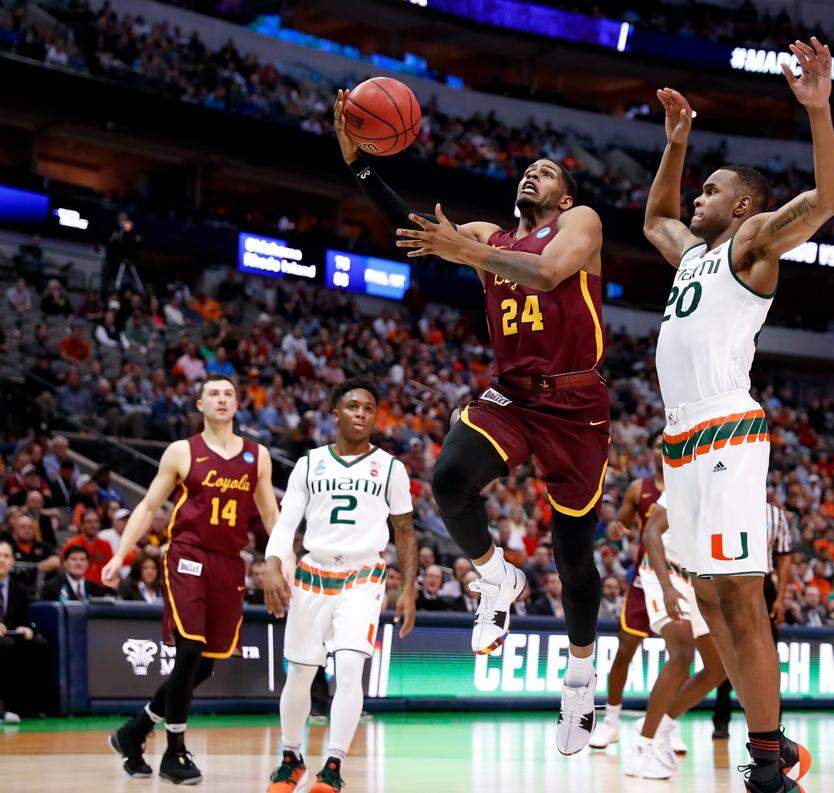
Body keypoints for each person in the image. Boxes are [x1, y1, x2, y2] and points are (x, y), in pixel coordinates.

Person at [335, 89, 608, 754]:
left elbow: (545, 274)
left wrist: (467, 252)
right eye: (528, 169)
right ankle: (494, 572)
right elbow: (414, 229)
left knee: (573, 557)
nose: (532, 174)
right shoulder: (490, 234)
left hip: (575, 402)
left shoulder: (581, 225)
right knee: (449, 477)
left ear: (565, 197)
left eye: (547, 171)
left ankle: (578, 677)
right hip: (512, 392)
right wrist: (360, 165)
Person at [642, 37, 834, 793]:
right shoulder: (689, 254)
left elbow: (827, 201)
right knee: (706, 598)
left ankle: (766, 762)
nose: (698, 196)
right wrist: (677, 146)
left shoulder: (753, 243)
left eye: (712, 188)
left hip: (727, 426)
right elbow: (656, 216)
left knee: (739, 594)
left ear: (744, 205)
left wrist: (818, 113)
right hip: (679, 436)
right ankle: (774, 736)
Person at [102, 374, 280, 785]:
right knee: (188, 651)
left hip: (230, 563)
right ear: (199, 405)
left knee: (203, 667)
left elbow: (271, 516)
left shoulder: (258, 456)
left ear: (237, 405)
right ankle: (174, 751)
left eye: (229, 394)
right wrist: (119, 554)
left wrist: (282, 558)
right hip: (187, 558)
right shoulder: (182, 451)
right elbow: (148, 507)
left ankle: (135, 730)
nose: (222, 399)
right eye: (213, 393)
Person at [263, 377, 417, 793]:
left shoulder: (391, 468)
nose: (361, 414)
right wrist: (272, 565)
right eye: (352, 407)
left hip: (363, 577)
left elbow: (404, 530)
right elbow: (286, 521)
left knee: (350, 668)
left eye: (368, 408)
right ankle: (291, 758)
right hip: (312, 574)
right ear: (335, 414)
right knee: (299, 672)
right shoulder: (309, 464)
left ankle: (332, 766)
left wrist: (408, 588)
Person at [624, 490, 724, 779]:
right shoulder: (688, 479)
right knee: (682, 654)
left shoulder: (730, 494)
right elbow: (651, 534)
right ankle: (641, 747)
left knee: (718, 667)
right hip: (664, 573)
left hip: (699, 579)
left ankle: (662, 729)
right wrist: (667, 587)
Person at [590, 435, 663, 749]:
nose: (662, 449)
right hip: (643, 581)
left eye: (667, 443)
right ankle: (611, 722)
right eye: (658, 445)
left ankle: (665, 728)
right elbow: (618, 526)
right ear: (652, 452)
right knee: (624, 651)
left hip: (679, 579)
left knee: (680, 655)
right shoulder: (638, 488)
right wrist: (618, 529)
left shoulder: (690, 486)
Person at [712, 500, 799, 742]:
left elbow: (784, 557)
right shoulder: (726, 503)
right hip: (731, 577)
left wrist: (781, 598)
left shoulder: (775, 514)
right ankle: (721, 721)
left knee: (767, 652)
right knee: (730, 649)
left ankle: (773, 727)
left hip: (764, 582)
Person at [0, 539, 53, 719]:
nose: (2, 560)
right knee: (5, 645)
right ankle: (4, 707)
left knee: (38, 644)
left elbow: (30, 620)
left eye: (6, 556)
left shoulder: (20, 589)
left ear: (12, 561)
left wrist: (28, 629)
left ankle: (31, 707)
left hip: (10, 635)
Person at [40, 545, 115, 601]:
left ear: (87, 564)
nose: (78, 563)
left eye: (82, 559)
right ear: (65, 563)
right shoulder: (52, 587)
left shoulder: (97, 589)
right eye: (73, 559)